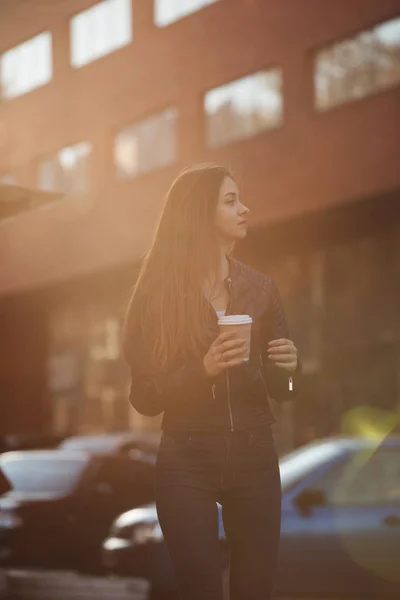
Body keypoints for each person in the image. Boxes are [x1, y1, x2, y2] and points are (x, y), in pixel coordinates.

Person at [123, 163, 301, 600]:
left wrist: (289, 369)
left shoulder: (261, 289)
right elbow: (144, 398)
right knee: (199, 590)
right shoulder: (157, 295)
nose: (245, 209)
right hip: (186, 456)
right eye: (231, 200)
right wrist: (199, 371)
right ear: (200, 212)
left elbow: (285, 392)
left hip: (255, 453)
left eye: (240, 199)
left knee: (254, 590)